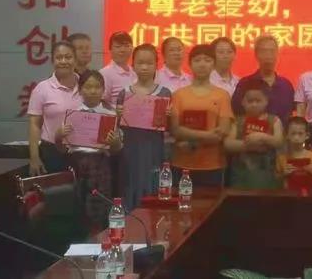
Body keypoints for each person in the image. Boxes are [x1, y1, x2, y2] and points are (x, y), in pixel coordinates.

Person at [56, 70, 122, 232]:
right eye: (88, 87)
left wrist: (115, 143)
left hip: (100, 166)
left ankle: (100, 241)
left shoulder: (110, 115)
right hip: (76, 165)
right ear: (80, 90)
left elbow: (116, 151)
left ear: (103, 90)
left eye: (97, 87)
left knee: (100, 211)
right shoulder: (72, 115)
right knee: (78, 211)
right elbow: (62, 149)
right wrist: (58, 136)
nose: (93, 91)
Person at [116, 44, 172, 212]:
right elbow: (117, 128)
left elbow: (168, 129)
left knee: (153, 186)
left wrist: (169, 116)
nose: (145, 67)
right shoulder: (125, 94)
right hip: (130, 149)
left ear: (156, 65)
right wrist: (117, 116)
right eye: (140, 63)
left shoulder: (164, 93)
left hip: (154, 149)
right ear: (133, 65)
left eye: (149, 63)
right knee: (129, 185)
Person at [169, 44, 232, 186]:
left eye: (207, 60)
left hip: (213, 164)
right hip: (182, 163)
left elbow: (222, 131)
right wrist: (208, 136)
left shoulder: (222, 95)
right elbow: (175, 129)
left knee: (211, 201)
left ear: (214, 64)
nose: (202, 64)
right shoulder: (178, 95)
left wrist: (191, 140)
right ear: (190, 64)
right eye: (197, 60)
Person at [27, 41, 81, 175]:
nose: (63, 61)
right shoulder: (42, 88)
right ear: (53, 61)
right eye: (59, 57)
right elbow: (34, 125)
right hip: (52, 153)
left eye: (68, 57)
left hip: (82, 151)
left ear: (75, 60)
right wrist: (34, 157)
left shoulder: (86, 85)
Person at [224, 80, 283, 189]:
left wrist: (263, 137)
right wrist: (248, 145)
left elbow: (279, 141)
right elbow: (228, 144)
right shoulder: (237, 121)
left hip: (267, 174)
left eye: (258, 101)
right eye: (250, 101)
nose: (254, 104)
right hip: (241, 175)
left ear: (266, 101)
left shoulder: (274, 120)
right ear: (242, 102)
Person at [232, 35, 295, 126]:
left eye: (272, 51)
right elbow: (237, 113)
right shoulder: (245, 83)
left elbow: (290, 114)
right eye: (264, 51)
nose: (268, 55)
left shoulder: (286, 85)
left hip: (282, 134)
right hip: (252, 133)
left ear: (277, 54)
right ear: (256, 55)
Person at [277, 117, 312, 191]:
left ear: (307, 135)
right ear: (287, 135)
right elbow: (276, 179)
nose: (296, 137)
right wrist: (284, 173)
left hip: (308, 193)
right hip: (288, 194)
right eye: (293, 133)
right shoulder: (281, 158)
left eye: (300, 134)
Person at [100, 31, 137, 106]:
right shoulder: (104, 74)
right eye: (118, 47)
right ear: (110, 50)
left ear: (132, 49)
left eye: (126, 46)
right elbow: (101, 103)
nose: (122, 50)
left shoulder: (135, 72)